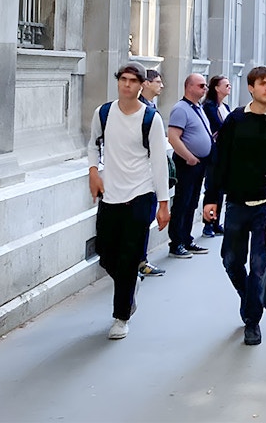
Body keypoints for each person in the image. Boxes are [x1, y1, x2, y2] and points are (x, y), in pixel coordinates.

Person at [204, 66, 266, 346]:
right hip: (237, 203)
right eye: (262, 83)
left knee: (260, 266)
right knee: (230, 260)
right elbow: (219, 160)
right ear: (250, 88)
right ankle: (249, 298)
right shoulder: (235, 121)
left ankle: (252, 320)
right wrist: (211, 198)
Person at [87, 61, 171, 340]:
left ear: (141, 85)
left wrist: (163, 203)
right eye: (123, 79)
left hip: (140, 195)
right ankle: (131, 283)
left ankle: (121, 317)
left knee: (127, 259)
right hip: (110, 193)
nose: (127, 85)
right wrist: (93, 172)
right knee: (105, 253)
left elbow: (159, 163)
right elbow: (93, 144)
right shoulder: (104, 112)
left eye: (133, 81)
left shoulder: (150, 119)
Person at [167, 74, 213, 259]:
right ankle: (176, 242)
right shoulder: (180, 109)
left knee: (192, 203)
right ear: (189, 87)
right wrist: (189, 157)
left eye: (205, 86)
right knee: (182, 202)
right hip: (187, 164)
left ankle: (186, 239)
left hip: (199, 164)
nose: (205, 89)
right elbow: (173, 137)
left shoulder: (197, 107)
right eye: (201, 85)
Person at [136, 68, 167, 278]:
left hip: (150, 173)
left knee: (144, 221)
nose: (161, 85)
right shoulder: (140, 110)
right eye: (157, 81)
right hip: (139, 174)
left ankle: (140, 260)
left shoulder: (151, 108)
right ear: (146, 83)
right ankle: (139, 262)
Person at [201, 75, 232, 237]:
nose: (229, 87)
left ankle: (216, 221)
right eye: (225, 85)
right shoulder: (209, 106)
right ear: (216, 88)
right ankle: (208, 224)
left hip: (225, 154)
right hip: (214, 154)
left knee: (220, 190)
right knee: (212, 189)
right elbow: (222, 127)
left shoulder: (225, 107)